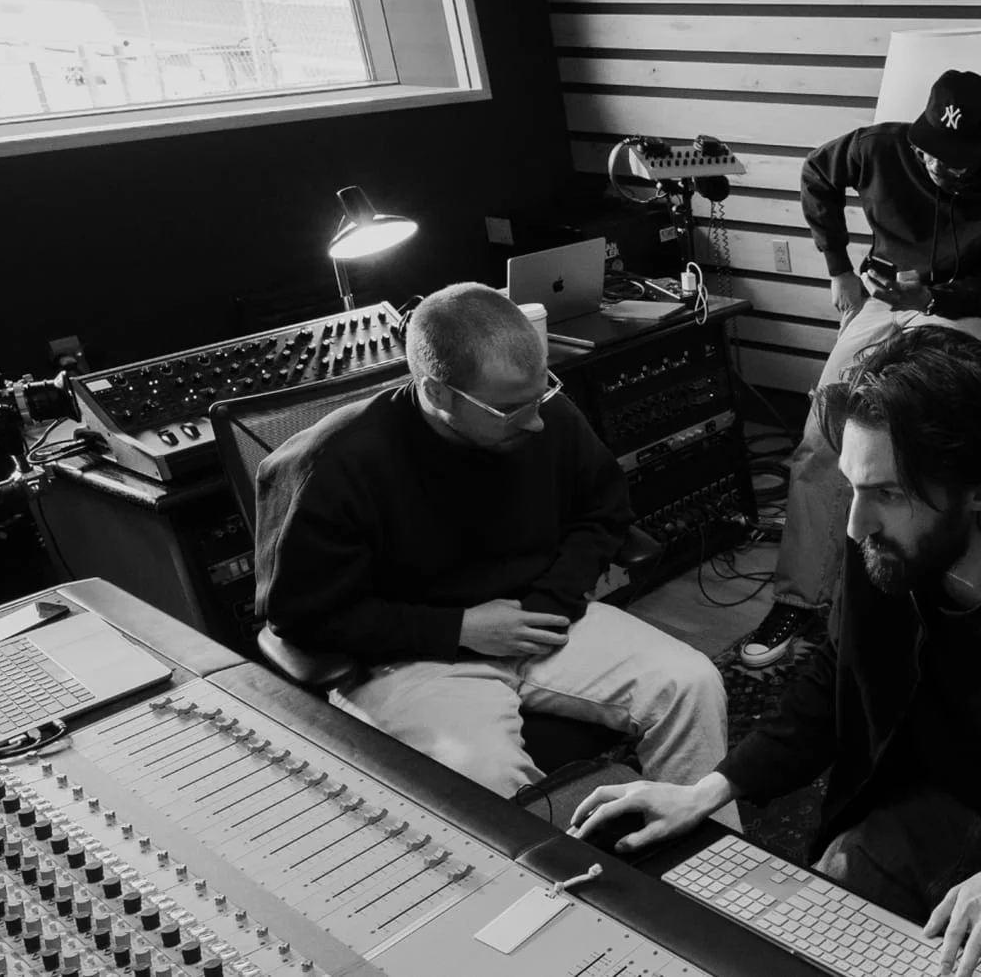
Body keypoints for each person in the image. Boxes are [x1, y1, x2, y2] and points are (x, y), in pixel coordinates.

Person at [572, 327, 981, 976]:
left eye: (887, 493)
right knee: (799, 946)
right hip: (937, 807)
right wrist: (711, 788)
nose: (856, 527)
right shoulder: (890, 548)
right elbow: (841, 674)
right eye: (854, 487)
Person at [255, 283, 731, 805]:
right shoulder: (327, 465)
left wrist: (545, 608)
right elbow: (302, 619)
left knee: (691, 683)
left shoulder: (540, 410)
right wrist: (459, 629)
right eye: (509, 409)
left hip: (535, 622)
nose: (537, 420)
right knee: (487, 778)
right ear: (437, 392)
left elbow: (604, 511)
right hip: (408, 656)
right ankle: (557, 886)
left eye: (543, 392)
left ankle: (698, 863)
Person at [734, 69, 981, 672]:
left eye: (955, 163)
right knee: (822, 433)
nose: (938, 169)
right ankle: (800, 599)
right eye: (930, 152)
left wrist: (928, 300)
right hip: (879, 299)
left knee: (914, 442)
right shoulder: (881, 145)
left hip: (957, 308)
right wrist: (838, 268)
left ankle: (916, 589)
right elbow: (816, 174)